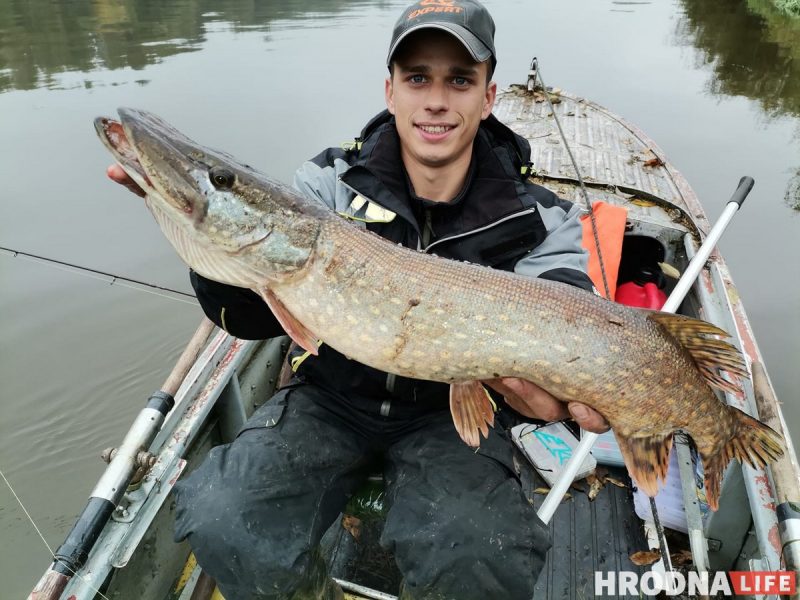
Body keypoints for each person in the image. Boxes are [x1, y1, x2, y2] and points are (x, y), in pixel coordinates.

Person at [109, 1, 609, 598]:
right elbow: (241, 317)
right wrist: (198, 229)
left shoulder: (542, 220)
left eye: (459, 80)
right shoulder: (326, 187)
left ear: (488, 97)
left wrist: (549, 402)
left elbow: (573, 338)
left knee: (479, 551)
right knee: (221, 513)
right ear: (391, 90)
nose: (436, 100)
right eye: (417, 77)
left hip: (451, 420)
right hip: (330, 398)